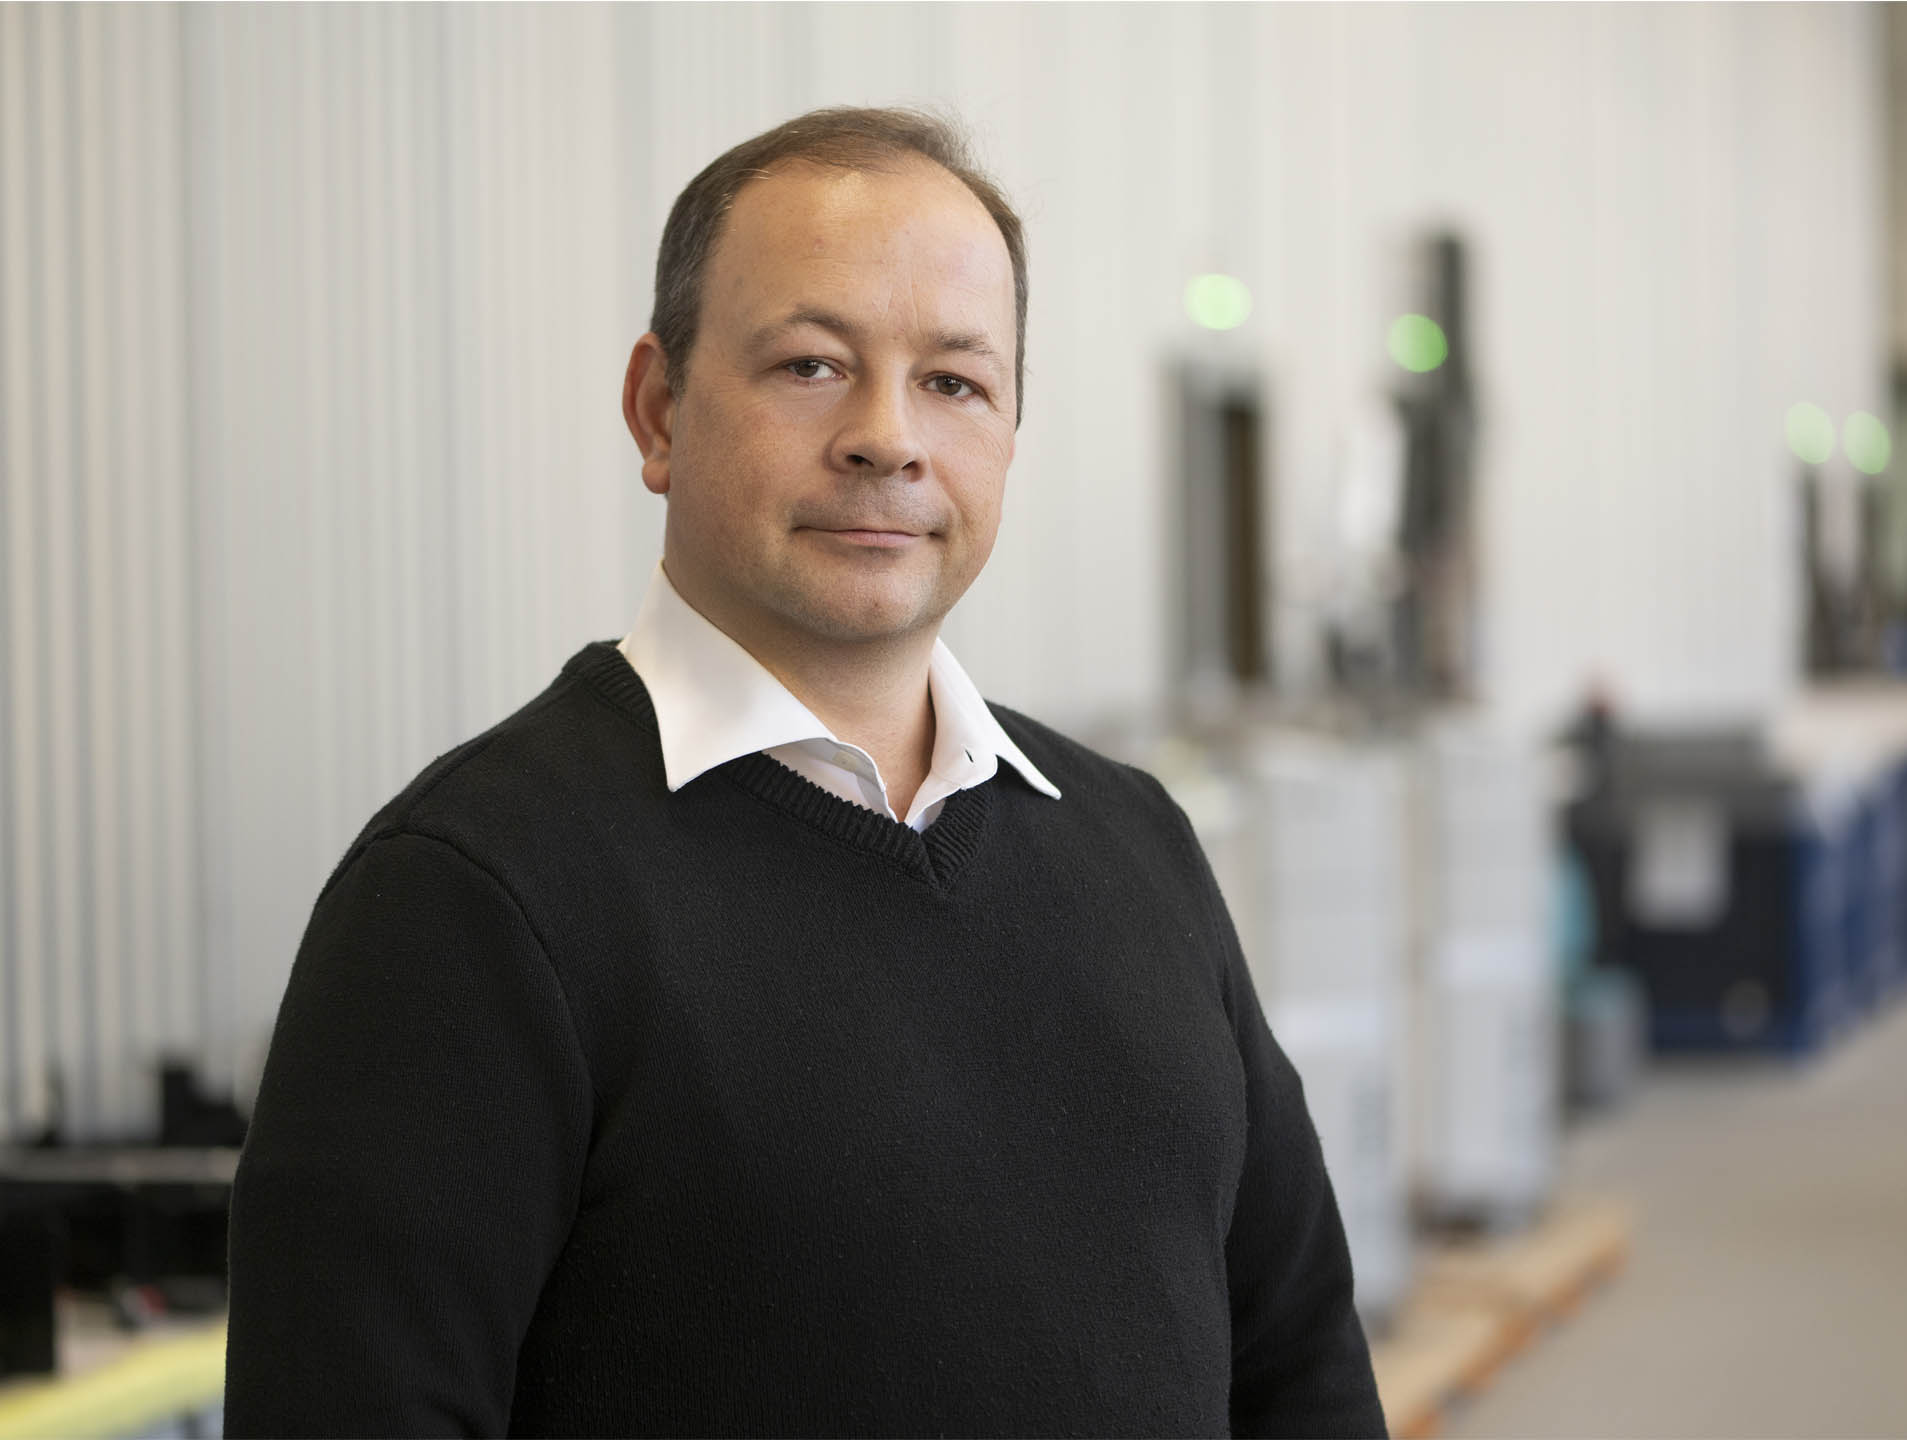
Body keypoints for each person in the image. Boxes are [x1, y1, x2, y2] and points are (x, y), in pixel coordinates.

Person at [223, 106, 1387, 1439]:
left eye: (954, 382)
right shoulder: (469, 901)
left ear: (1011, 430)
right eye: (812, 365)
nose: (888, 437)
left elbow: (1302, 1367)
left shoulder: (1135, 846)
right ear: (658, 411)